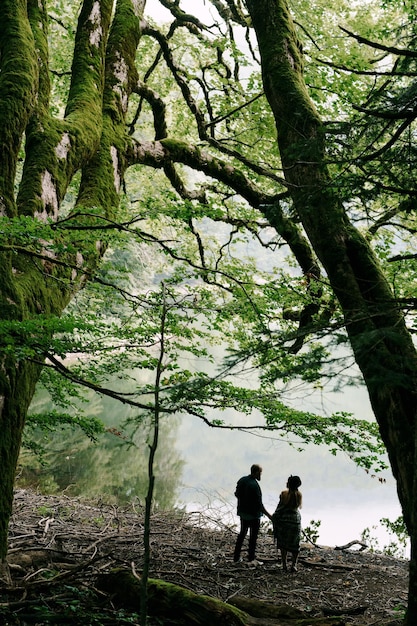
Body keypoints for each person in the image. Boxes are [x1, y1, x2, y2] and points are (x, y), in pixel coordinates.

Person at [233, 464, 272, 565]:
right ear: (255, 472)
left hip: (243, 513)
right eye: (260, 473)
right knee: (253, 537)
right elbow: (259, 505)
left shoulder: (242, 480)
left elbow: (236, 494)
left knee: (242, 534)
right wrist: (269, 516)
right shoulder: (254, 486)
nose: (260, 475)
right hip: (253, 515)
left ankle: (236, 557)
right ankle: (251, 558)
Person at [272, 475, 302, 572]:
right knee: (295, 544)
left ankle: (284, 564)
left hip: (284, 520)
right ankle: (294, 565)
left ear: (289, 484)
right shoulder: (299, 495)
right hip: (295, 520)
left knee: (283, 543)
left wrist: (274, 517)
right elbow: (298, 507)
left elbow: (280, 507)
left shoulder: (283, 494)